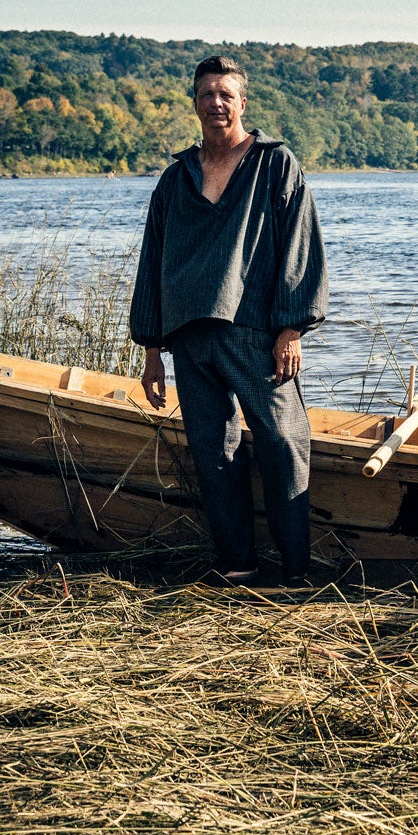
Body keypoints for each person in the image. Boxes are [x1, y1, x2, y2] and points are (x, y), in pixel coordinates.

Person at [130, 55, 329, 587]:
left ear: (242, 102)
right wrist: (151, 351)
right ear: (194, 103)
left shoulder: (275, 162)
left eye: (226, 94)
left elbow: (300, 247)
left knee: (285, 444)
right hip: (189, 337)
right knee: (214, 454)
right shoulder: (175, 178)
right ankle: (238, 565)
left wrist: (291, 329)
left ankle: (295, 573)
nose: (216, 102)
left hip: (257, 335)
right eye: (207, 94)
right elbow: (153, 261)